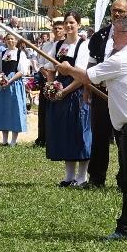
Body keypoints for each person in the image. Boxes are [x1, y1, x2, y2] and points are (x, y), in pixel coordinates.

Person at [59, 14, 127, 242]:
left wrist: (67, 69)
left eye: (114, 34)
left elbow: (88, 75)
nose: (111, 38)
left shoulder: (124, 58)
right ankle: (126, 228)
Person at [85, 0, 127, 188]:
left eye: (121, 11)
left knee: (124, 137)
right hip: (101, 93)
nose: (117, 14)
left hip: (123, 95)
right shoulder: (100, 36)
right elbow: (91, 64)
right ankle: (96, 178)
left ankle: (125, 178)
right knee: (99, 136)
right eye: (114, 10)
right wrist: (87, 88)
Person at [45, 12, 92, 186]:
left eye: (72, 22)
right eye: (66, 23)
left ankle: (82, 176)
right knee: (64, 132)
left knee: (79, 132)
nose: (69, 26)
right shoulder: (58, 46)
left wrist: (64, 91)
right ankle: (69, 176)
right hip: (60, 93)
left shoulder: (83, 46)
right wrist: (51, 87)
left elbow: (81, 75)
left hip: (76, 92)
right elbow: (50, 69)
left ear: (78, 24)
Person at [0, 33, 29, 146]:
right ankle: (4, 140)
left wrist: (10, 80)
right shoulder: (2, 53)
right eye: (8, 39)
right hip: (2, 86)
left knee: (15, 110)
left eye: (12, 39)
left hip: (15, 85)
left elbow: (22, 71)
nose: (10, 41)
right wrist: (0, 78)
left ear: (16, 40)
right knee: (3, 110)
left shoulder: (20, 53)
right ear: (5, 40)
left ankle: (13, 141)